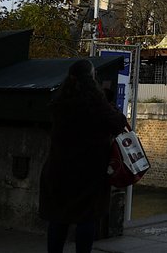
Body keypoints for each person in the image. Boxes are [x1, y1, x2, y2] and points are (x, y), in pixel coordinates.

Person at [39, 59, 127, 253]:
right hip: (89, 171)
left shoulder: (60, 103)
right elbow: (118, 123)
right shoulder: (97, 105)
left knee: (58, 219)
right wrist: (108, 101)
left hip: (59, 169)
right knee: (87, 218)